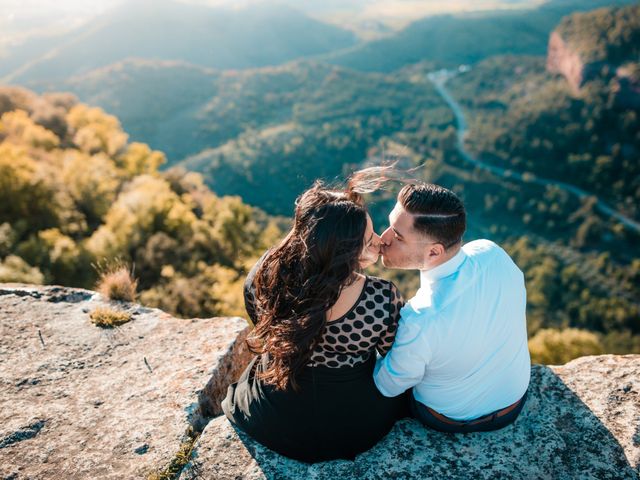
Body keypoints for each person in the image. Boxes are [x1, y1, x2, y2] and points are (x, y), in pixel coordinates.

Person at [222, 175, 408, 463]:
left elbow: (260, 319)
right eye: (369, 240)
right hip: (352, 422)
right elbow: (396, 355)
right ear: (342, 253)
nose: (380, 242)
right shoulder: (380, 298)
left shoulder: (266, 274)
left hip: (273, 413)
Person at [374, 182, 530, 433]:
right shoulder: (494, 254)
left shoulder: (422, 317)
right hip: (513, 402)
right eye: (390, 225)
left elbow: (387, 386)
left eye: (398, 236)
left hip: (449, 417)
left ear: (434, 252)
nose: (384, 238)